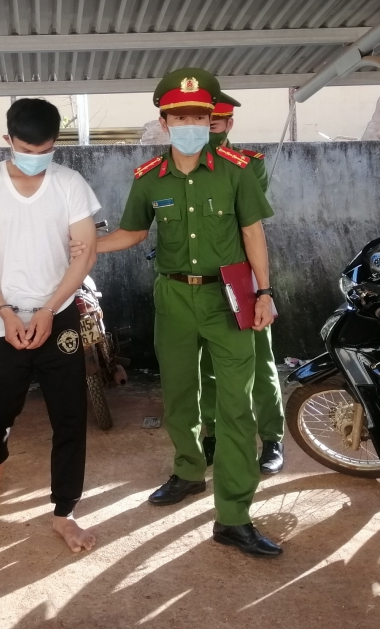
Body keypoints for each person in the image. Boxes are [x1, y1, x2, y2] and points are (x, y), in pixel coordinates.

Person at [97, 68, 282, 558]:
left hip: (229, 298)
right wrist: (86, 247)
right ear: (164, 122)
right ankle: (188, 470)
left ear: (210, 119)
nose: (190, 125)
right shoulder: (148, 179)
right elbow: (133, 233)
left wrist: (265, 292)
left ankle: (235, 516)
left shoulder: (236, 170)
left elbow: (253, 233)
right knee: (180, 394)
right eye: (180, 117)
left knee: (236, 407)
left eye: (199, 117)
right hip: (174, 298)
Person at [0, 98, 101, 554]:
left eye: (44, 149)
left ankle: (64, 513)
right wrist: (3, 310)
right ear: (8, 140)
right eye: (25, 148)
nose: (35, 157)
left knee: (70, 416)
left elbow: (85, 254)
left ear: (55, 143)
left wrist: (50, 309)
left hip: (58, 316)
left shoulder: (70, 185)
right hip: (4, 317)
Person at [200, 93, 285, 475]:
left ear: (229, 124)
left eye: (213, 125)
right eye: (200, 125)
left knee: (260, 359)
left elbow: (246, 219)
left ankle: (271, 438)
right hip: (199, 281)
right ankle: (212, 435)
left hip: (241, 278)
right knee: (206, 365)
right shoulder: (175, 168)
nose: (206, 133)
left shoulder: (249, 164)